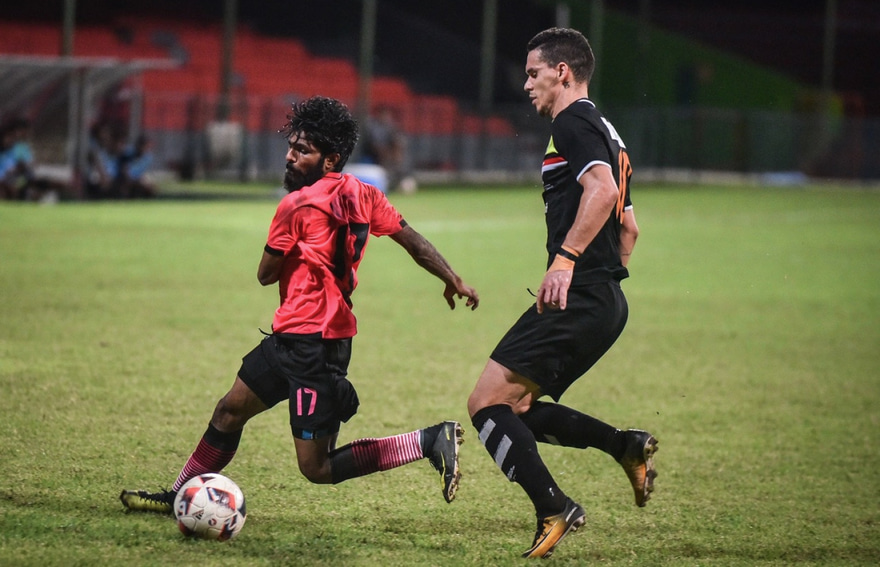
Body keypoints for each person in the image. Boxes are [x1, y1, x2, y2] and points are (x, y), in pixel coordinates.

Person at [120, 96, 479, 515]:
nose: (290, 157)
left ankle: (428, 441)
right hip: (297, 337)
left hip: (314, 346)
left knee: (316, 467)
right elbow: (413, 241)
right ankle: (178, 496)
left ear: (331, 159)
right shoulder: (365, 194)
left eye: (302, 150)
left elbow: (265, 274)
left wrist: (291, 247)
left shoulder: (295, 205)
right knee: (229, 410)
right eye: (291, 146)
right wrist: (451, 277)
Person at [465, 28, 657, 559]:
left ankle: (554, 508)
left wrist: (568, 262)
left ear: (563, 72)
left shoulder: (572, 122)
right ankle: (624, 445)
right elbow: (630, 229)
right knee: (518, 406)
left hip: (582, 295)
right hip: (605, 301)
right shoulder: (608, 132)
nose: (527, 84)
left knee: (486, 405)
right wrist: (603, 281)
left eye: (534, 74)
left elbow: (604, 191)